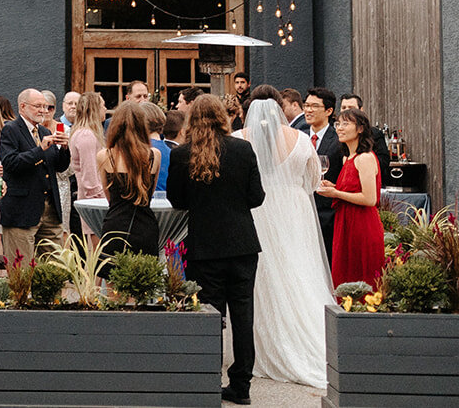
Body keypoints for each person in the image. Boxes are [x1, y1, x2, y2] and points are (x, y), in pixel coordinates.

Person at [166, 94, 265, 406]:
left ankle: (208, 378)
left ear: (192, 119)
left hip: (204, 245)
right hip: (242, 244)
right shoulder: (243, 148)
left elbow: (177, 200)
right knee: (243, 316)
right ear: (223, 117)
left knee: (210, 316)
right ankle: (241, 385)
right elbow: (257, 196)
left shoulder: (183, 154)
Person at [237, 89, 333, 388]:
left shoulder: (240, 138)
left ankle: (266, 344)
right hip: (295, 210)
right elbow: (314, 180)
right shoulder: (301, 139)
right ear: (281, 109)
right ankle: (311, 337)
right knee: (299, 269)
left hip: (259, 211)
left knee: (265, 276)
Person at [0, 88, 70, 261]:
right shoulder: (11, 130)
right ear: (22, 107)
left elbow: (59, 167)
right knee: (21, 269)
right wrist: (40, 149)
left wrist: (64, 149)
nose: (43, 111)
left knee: (54, 267)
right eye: (38, 106)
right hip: (21, 210)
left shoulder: (45, 132)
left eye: (46, 107)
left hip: (49, 209)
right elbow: (11, 163)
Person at [318, 107, 385, 290]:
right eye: (338, 123)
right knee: (345, 275)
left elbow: (370, 199)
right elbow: (352, 189)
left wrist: (336, 194)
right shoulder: (347, 158)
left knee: (363, 276)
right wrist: (335, 187)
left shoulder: (365, 158)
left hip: (362, 224)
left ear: (360, 129)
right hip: (345, 222)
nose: (339, 128)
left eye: (346, 124)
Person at [97, 101, 161, 258]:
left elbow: (109, 197)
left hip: (115, 225)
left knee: (112, 279)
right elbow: (149, 194)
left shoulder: (105, 156)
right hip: (145, 226)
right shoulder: (154, 155)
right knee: (145, 280)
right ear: (142, 126)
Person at [302, 86, 343, 259]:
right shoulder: (298, 136)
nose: (308, 110)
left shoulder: (339, 140)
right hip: (301, 209)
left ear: (329, 111)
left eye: (314, 106)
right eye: (306, 105)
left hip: (327, 213)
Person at [66, 91, 107, 241]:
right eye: (103, 106)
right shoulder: (86, 135)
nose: (105, 109)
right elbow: (90, 178)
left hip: (93, 199)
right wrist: (105, 200)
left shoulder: (86, 133)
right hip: (94, 201)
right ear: (95, 109)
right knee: (98, 251)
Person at [338, 93, 392, 178]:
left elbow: (384, 161)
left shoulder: (374, 135)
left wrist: (361, 166)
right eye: (343, 108)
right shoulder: (339, 135)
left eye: (351, 108)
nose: (347, 111)